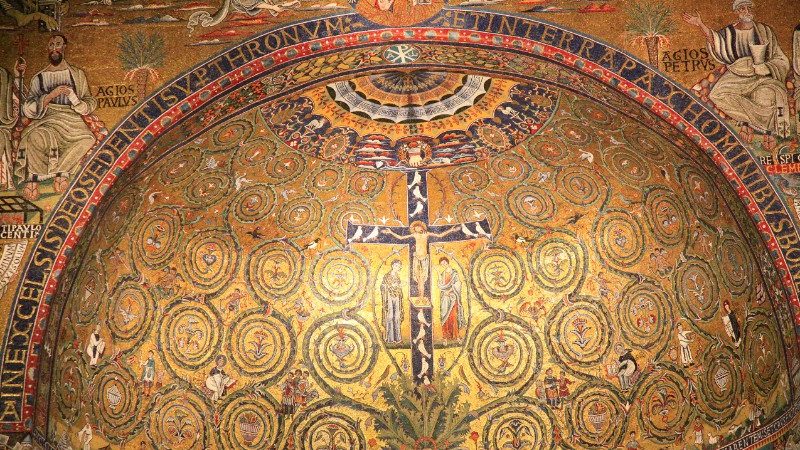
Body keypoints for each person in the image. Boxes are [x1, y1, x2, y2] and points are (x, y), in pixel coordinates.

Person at [683, 0, 790, 148]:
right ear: (736, 12)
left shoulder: (764, 31)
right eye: (742, 8)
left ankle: (766, 130)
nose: (746, 11)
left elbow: (780, 58)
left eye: (748, 7)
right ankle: (749, 122)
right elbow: (716, 41)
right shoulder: (729, 32)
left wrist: (766, 68)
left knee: (766, 97)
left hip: (761, 75)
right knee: (717, 95)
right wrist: (700, 24)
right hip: (737, 74)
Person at [18, 33, 98, 191]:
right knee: (35, 137)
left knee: (88, 139)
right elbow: (27, 107)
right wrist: (50, 96)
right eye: (51, 45)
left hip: (71, 121)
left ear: (64, 47)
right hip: (47, 119)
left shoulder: (77, 74)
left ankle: (61, 172)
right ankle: (35, 177)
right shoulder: (39, 78)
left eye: (58, 44)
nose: (55, 48)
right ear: (47, 48)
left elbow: (89, 102)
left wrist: (75, 99)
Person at [382, 222, 458, 300]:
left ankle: (421, 297)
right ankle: (420, 297)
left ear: (422, 227)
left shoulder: (426, 234)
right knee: (419, 279)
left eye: (417, 227)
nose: (416, 229)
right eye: (415, 228)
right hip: (417, 259)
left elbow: (439, 235)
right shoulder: (415, 235)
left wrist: (450, 230)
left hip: (424, 259)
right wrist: (391, 232)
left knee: (422, 279)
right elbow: (401, 237)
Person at [0, 60, 24, 190]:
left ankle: (6, 181)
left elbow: (17, 102)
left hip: (3, 127)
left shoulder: (4, 76)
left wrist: (18, 76)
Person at [438, 257, 465, 340]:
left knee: (453, 316)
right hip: (445, 298)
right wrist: (439, 275)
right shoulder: (443, 274)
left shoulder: (454, 273)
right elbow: (441, 286)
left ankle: (456, 335)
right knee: (445, 315)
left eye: (445, 263)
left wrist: (449, 291)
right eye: (442, 264)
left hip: (453, 297)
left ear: (447, 262)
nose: (444, 265)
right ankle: (446, 336)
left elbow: (457, 284)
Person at [380, 260, 404, 344]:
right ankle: (390, 338)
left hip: (397, 297)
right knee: (390, 316)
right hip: (389, 297)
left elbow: (399, 287)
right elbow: (383, 286)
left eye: (399, 266)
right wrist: (390, 286)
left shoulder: (397, 276)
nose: (399, 267)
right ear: (393, 266)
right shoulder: (387, 276)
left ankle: (397, 338)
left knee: (397, 317)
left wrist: (399, 287)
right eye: (397, 265)